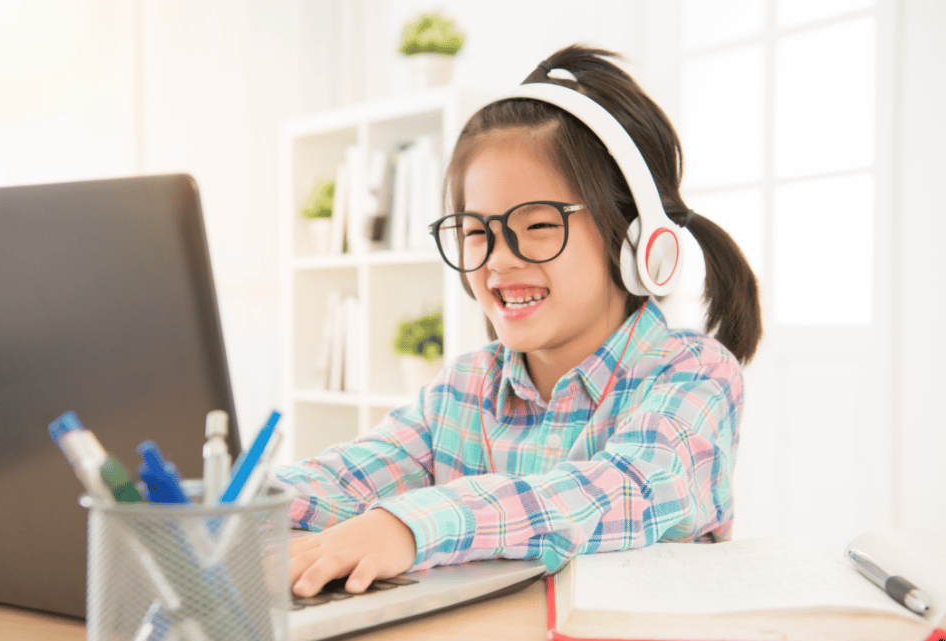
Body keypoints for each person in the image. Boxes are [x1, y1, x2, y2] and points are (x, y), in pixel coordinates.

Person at [275, 44, 762, 598]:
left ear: (634, 238)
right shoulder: (464, 391)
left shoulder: (694, 373)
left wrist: (409, 527)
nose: (498, 260)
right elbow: (348, 478)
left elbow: (623, 490)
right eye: (477, 233)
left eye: (537, 227)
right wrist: (226, 506)